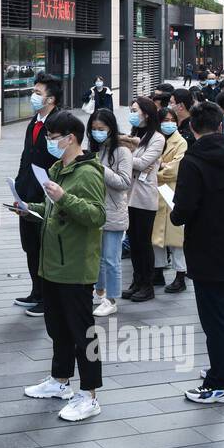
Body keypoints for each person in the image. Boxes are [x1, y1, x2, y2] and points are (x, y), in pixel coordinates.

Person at [17, 111, 106, 422]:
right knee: (57, 327)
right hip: (52, 262)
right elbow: (54, 209)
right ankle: (60, 380)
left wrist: (64, 197)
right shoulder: (59, 168)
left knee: (83, 333)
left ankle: (90, 393)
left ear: (70, 138)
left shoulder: (88, 173)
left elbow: (97, 216)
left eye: (53, 137)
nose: (49, 142)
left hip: (75, 265)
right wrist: (30, 209)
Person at [173, 102, 224, 404]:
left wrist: (176, 211)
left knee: (214, 318)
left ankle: (219, 384)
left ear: (193, 129)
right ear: (221, 126)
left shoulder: (192, 162)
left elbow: (182, 212)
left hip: (206, 251)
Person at [13, 74, 62, 316]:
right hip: (27, 193)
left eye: (38, 92)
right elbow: (26, 156)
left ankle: (48, 298)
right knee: (30, 245)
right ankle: (36, 291)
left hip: (47, 195)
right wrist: (19, 188)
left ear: (51, 98)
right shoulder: (35, 121)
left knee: (45, 248)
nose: (33, 96)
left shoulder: (59, 122)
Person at [120, 96, 164, 302]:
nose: (131, 113)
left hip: (145, 197)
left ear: (146, 113)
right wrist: (133, 160)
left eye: (135, 109)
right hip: (128, 195)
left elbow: (143, 162)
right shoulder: (133, 134)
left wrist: (129, 158)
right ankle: (136, 281)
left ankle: (147, 284)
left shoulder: (157, 137)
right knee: (133, 242)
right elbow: (135, 162)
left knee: (143, 242)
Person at [89, 109, 131, 317]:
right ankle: (100, 291)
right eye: (94, 129)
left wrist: (100, 168)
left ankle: (112, 299)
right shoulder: (94, 149)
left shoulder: (122, 152)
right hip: (95, 211)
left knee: (111, 258)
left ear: (111, 129)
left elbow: (124, 182)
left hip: (114, 211)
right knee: (98, 257)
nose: (97, 133)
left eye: (101, 129)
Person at [151, 107, 189, 294]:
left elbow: (174, 169)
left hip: (173, 192)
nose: (168, 123)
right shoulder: (153, 140)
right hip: (154, 193)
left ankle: (180, 275)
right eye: (164, 119)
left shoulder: (181, 142)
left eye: (171, 119)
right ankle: (157, 272)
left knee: (176, 238)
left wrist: (155, 169)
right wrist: (159, 166)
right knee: (156, 237)